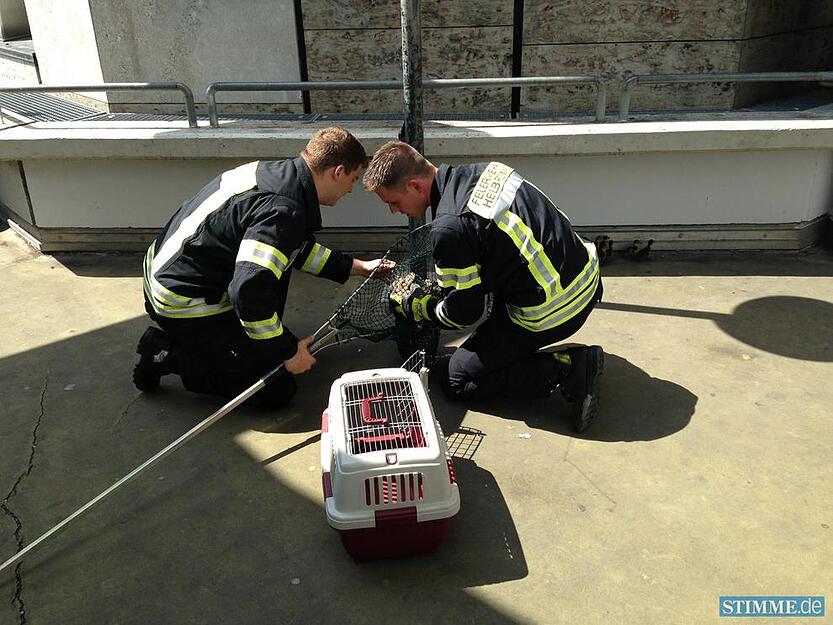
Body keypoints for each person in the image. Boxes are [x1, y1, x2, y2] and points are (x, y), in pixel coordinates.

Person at [134, 126, 388, 408]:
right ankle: (165, 353)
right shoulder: (285, 210)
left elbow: (291, 249)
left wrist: (359, 267)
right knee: (275, 387)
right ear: (337, 172)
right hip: (182, 302)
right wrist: (288, 352)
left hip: (163, 271)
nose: (350, 190)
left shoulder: (276, 175)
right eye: (352, 180)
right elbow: (247, 292)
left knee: (269, 281)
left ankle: (226, 344)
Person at [363, 141, 604, 432]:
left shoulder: (449, 228)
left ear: (415, 186)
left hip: (556, 309)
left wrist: (419, 305)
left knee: (457, 378)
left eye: (394, 202)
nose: (393, 211)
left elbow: (462, 314)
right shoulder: (489, 171)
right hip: (587, 275)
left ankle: (568, 367)